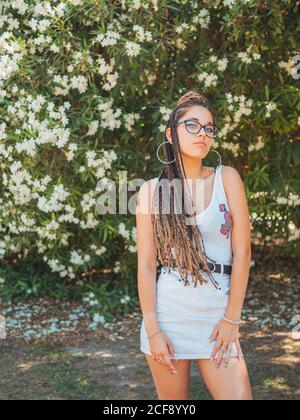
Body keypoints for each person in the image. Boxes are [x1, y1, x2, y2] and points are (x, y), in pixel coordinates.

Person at [136, 90, 253, 400]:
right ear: (171, 134)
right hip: (169, 315)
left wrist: (232, 319)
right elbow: (147, 265)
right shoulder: (151, 192)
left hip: (218, 315)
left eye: (208, 127)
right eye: (192, 125)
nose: (203, 133)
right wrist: (153, 329)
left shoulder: (227, 179)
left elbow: (243, 252)